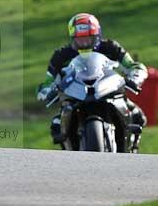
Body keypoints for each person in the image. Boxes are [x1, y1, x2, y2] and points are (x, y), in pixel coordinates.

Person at [36, 13, 148, 149]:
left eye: (88, 38)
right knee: (56, 124)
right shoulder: (61, 55)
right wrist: (47, 90)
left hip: (107, 89)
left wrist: (135, 77)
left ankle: (132, 146)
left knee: (137, 115)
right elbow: (49, 79)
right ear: (72, 38)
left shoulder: (111, 47)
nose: (84, 43)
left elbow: (133, 66)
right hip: (74, 94)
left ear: (97, 35)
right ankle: (68, 151)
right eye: (80, 39)